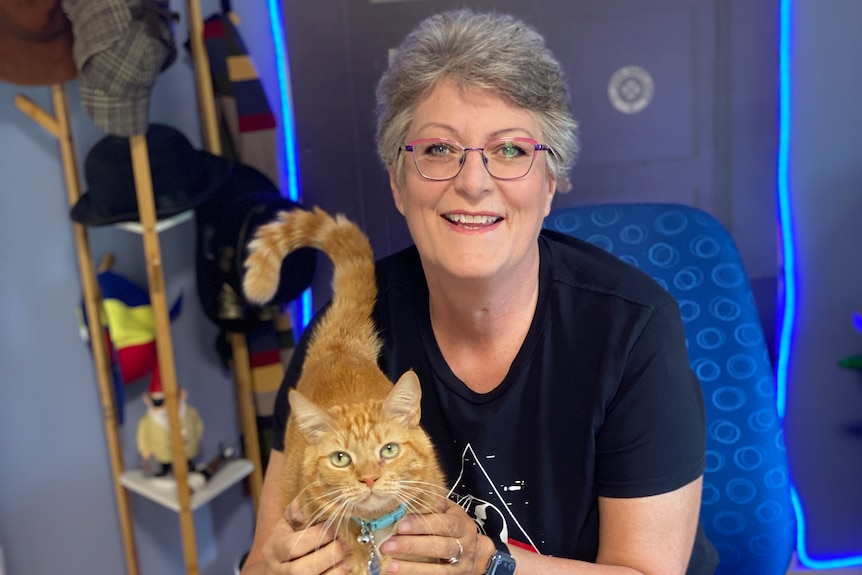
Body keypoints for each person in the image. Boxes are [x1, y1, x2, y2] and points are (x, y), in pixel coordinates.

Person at [241, 9, 718, 575]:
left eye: (511, 150)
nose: (473, 182)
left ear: (550, 184)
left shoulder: (634, 331)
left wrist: (488, 565)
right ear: (398, 182)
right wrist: (275, 569)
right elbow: (261, 562)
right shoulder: (347, 336)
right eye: (438, 150)